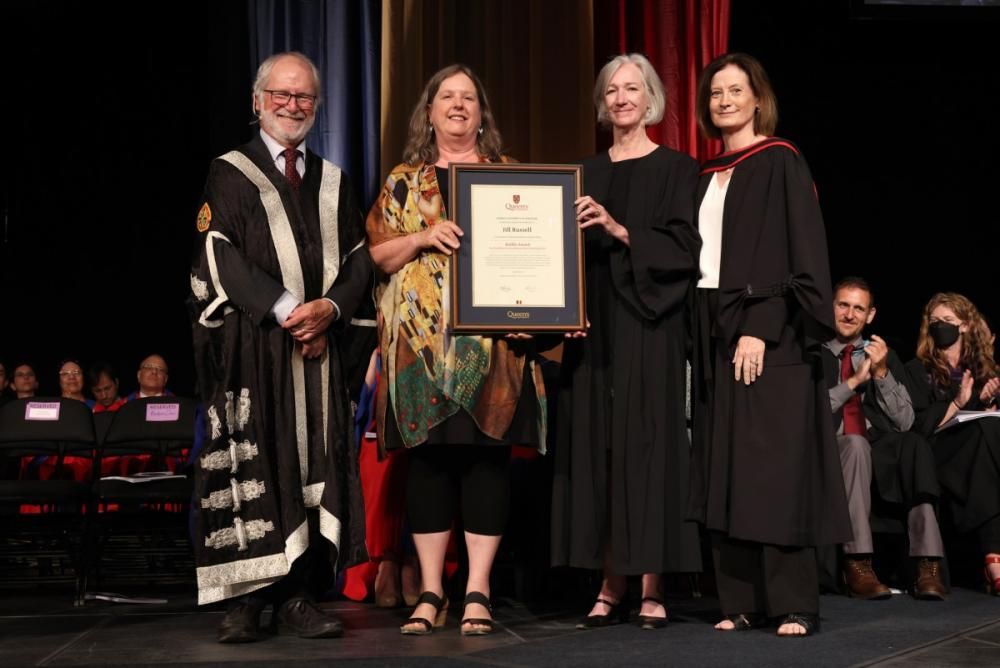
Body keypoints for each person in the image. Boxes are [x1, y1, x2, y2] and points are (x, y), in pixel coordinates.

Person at [189, 51, 371, 643]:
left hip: (317, 357)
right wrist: (292, 311)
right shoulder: (229, 171)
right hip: (255, 349)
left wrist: (330, 311)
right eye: (282, 95)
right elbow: (222, 254)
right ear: (258, 100)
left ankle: (298, 596)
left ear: (317, 105)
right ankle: (247, 601)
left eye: (305, 98)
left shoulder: (335, 180)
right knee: (260, 463)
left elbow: (357, 261)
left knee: (310, 466)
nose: (293, 106)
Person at [366, 63, 547, 637]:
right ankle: (429, 591)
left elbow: (539, 260)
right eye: (448, 96)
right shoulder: (403, 181)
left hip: (494, 352)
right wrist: (422, 236)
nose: (459, 105)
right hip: (418, 352)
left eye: (469, 97)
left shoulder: (510, 177)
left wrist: (537, 315)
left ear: (481, 113)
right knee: (429, 464)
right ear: (430, 111)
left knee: (487, 463)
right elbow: (378, 256)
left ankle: (478, 590)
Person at [687, 53, 851, 637]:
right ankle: (739, 601)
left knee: (774, 472)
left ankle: (794, 604)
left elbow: (800, 254)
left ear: (759, 98)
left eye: (736, 90)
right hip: (713, 332)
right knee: (725, 468)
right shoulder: (704, 174)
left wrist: (761, 322)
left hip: (769, 337)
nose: (725, 100)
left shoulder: (780, 161)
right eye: (715, 93)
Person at [550, 53, 702, 631]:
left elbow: (684, 251)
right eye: (611, 90)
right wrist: (556, 312)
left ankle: (652, 586)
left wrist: (618, 229)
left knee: (649, 452)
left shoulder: (677, 170)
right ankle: (609, 582)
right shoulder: (581, 171)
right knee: (600, 453)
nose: (621, 98)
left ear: (651, 99)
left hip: (650, 327)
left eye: (631, 88)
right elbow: (560, 258)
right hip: (593, 330)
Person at [822, 278, 945, 600]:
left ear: (870, 315)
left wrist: (880, 374)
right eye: (843, 305)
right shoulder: (812, 354)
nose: (850, 314)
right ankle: (857, 563)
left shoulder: (882, 355)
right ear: (831, 306)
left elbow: (906, 422)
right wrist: (852, 382)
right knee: (855, 444)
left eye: (858, 308)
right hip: (826, 446)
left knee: (914, 446)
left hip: (875, 445)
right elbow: (806, 413)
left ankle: (927, 565)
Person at [903, 292, 1000, 596]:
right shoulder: (917, 370)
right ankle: (994, 562)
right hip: (938, 457)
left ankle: (993, 559)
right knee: (987, 427)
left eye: (947, 321)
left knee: (989, 425)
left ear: (965, 325)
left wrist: (986, 400)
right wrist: (960, 402)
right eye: (934, 322)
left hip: (977, 458)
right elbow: (920, 429)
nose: (940, 327)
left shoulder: (982, 368)